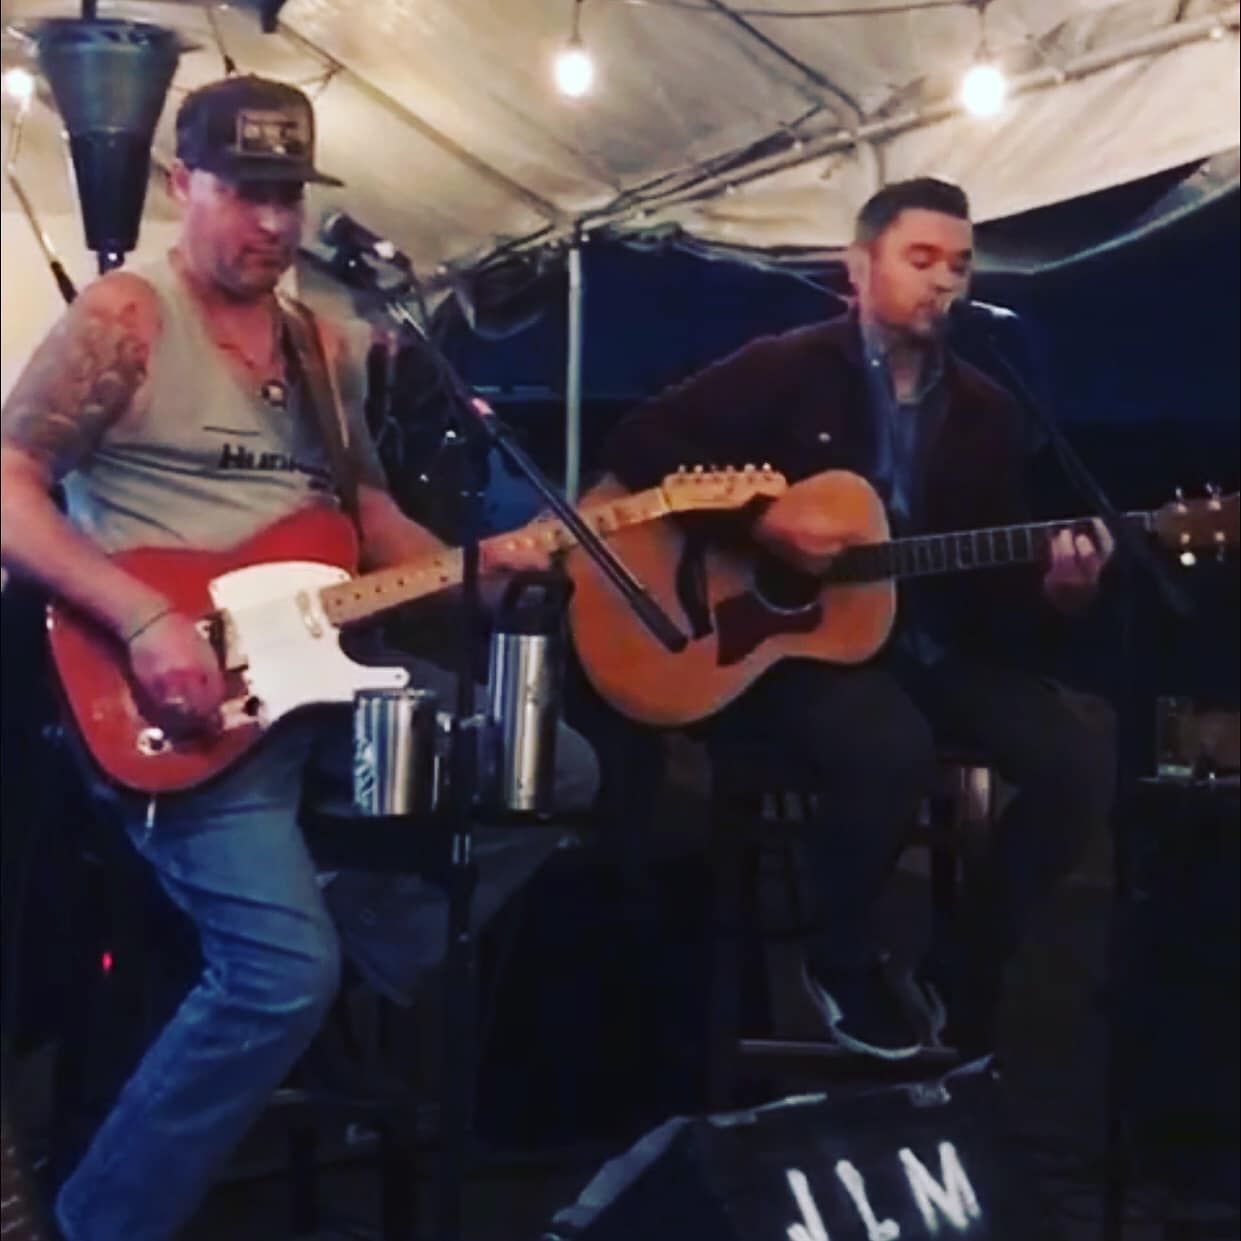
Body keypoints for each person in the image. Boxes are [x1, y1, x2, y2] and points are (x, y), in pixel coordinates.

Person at [0, 75, 597, 1241]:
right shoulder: (124, 318)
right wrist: (143, 618)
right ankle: (98, 1223)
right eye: (247, 193)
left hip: (323, 672)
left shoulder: (322, 345)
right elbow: (10, 486)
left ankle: (361, 942)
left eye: (288, 196)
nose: (273, 222)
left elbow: (362, 513)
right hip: (174, 695)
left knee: (559, 768)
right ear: (183, 184)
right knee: (277, 971)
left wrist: (479, 568)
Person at [603, 177, 1116, 1062]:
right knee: (888, 745)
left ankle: (963, 964)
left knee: (1077, 763)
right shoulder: (786, 367)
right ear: (859, 265)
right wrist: (761, 522)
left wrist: (1058, 595)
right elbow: (637, 443)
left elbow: (991, 593)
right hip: (787, 646)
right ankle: (838, 958)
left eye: (958, 264)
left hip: (929, 646)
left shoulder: (988, 410)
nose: (943, 280)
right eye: (920, 258)